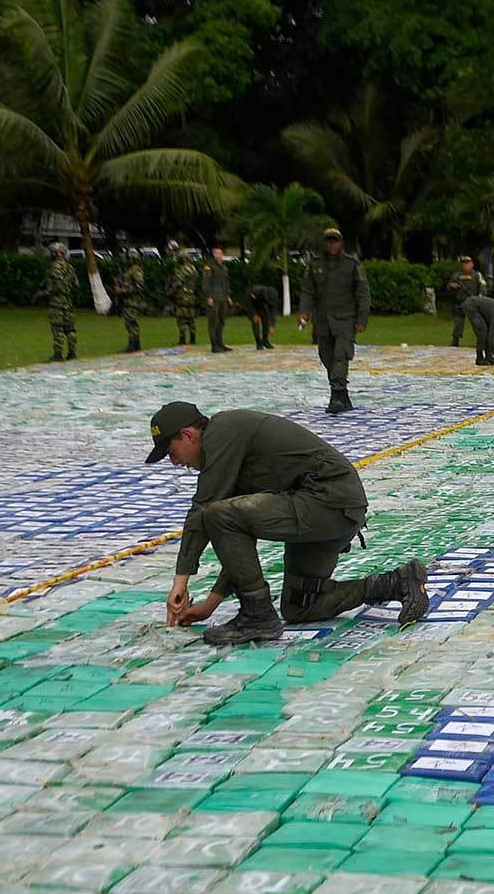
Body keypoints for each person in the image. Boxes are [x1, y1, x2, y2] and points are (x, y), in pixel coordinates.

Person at [147, 401, 429, 646]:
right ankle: (396, 583)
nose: (175, 462)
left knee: (218, 513)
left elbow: (206, 511)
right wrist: (211, 603)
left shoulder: (223, 431)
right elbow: (236, 545)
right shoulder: (230, 457)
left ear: (188, 435)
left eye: (172, 452)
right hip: (331, 509)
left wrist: (180, 581)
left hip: (325, 500)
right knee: (302, 607)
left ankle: (257, 615)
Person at [298, 226, 371, 414]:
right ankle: (343, 394)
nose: (332, 245)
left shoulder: (352, 264)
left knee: (341, 355)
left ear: (341, 243)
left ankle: (336, 395)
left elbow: (362, 292)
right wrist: (304, 312)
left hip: (345, 319)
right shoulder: (314, 265)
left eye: (335, 241)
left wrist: (362, 318)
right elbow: (308, 291)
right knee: (326, 356)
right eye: (329, 241)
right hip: (323, 320)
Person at [43, 241, 77, 362]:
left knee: (57, 328)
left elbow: (57, 286)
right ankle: (72, 352)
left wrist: (44, 294)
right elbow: (75, 285)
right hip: (68, 302)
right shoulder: (69, 267)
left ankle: (58, 354)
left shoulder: (55, 267)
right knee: (70, 328)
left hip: (57, 303)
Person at [445, 256, 486, 347]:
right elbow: (449, 286)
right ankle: (455, 340)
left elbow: (483, 286)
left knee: (477, 323)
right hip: (460, 302)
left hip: (473, 302)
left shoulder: (477, 275)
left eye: (468, 263)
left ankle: (481, 341)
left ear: (472, 264)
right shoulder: (457, 275)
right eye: (464, 263)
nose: (466, 265)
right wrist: (453, 286)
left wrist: (480, 297)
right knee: (458, 323)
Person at [203, 245, 234, 353]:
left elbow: (226, 283)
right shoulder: (209, 267)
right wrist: (209, 296)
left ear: (222, 255)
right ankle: (214, 345)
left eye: (219, 253)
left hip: (223, 298)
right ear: (213, 254)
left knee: (221, 321)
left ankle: (220, 343)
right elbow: (206, 283)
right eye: (215, 253)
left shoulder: (224, 268)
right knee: (213, 322)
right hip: (214, 298)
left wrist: (228, 296)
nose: (218, 255)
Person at [168, 243, 199, 346]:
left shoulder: (182, 270)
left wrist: (170, 293)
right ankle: (193, 338)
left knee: (181, 318)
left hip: (182, 297)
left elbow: (178, 283)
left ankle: (182, 339)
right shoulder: (193, 269)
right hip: (191, 296)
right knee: (191, 318)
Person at [115, 249, 144, 353]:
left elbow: (139, 286)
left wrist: (123, 291)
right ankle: (135, 344)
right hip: (128, 300)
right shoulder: (130, 269)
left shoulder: (135, 270)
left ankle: (133, 344)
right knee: (130, 322)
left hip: (133, 300)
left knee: (131, 322)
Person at [245, 283, 278, 350]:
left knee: (266, 320)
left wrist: (271, 325)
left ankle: (265, 341)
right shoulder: (255, 291)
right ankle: (258, 342)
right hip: (252, 304)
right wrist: (253, 314)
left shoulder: (272, 297)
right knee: (256, 322)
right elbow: (249, 303)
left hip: (262, 305)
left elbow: (272, 313)